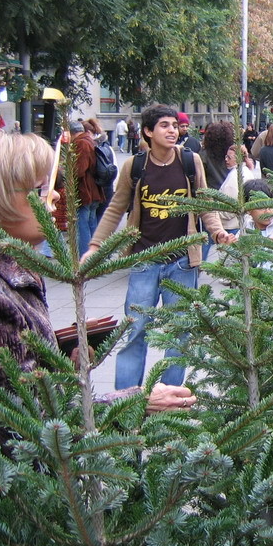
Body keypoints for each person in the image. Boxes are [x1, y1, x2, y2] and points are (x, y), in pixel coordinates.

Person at [0, 128, 195, 546]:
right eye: (38, 188)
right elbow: (24, 427)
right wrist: (135, 400)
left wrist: (55, 352)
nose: (55, 198)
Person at [81, 104, 234, 390]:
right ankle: (126, 399)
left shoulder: (190, 162)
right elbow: (116, 208)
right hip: (144, 260)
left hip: (182, 264)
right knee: (134, 330)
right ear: (148, 131)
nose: (172, 130)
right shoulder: (135, 166)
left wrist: (218, 232)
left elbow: (203, 203)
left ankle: (169, 397)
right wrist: (95, 246)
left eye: (174, 125)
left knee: (180, 333)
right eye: (164, 125)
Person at [69, 120, 104, 253]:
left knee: (82, 226)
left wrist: (67, 169)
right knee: (91, 223)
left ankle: (85, 258)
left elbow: (79, 170)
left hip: (85, 191)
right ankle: (95, 256)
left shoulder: (81, 143)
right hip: (93, 190)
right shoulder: (89, 140)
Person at [83, 118, 116, 220]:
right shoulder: (106, 146)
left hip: (97, 188)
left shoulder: (89, 147)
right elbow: (114, 167)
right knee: (101, 219)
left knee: (94, 220)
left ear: (88, 132)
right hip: (107, 187)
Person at [200, 121, 234, 191]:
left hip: (211, 196)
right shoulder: (233, 153)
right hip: (231, 193)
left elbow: (200, 178)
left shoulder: (204, 154)